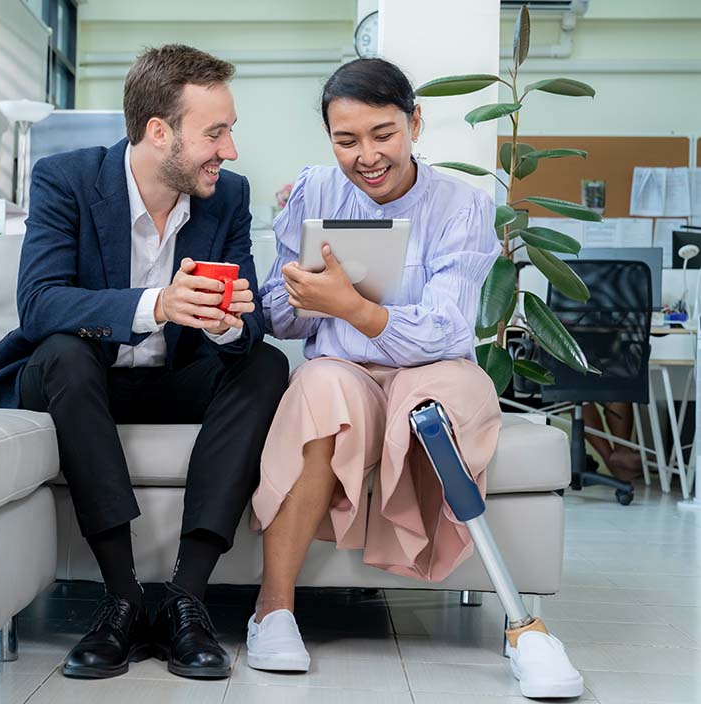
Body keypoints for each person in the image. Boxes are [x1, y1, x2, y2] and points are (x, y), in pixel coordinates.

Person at [244, 58, 585, 699]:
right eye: (346, 141)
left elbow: (448, 327)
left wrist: (356, 308)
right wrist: (296, 296)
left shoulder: (463, 204)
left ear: (414, 123)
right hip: (342, 367)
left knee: (431, 409)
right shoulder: (314, 191)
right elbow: (280, 321)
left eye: (383, 134)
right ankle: (273, 611)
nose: (366, 156)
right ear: (328, 140)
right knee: (318, 390)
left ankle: (523, 626)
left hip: (434, 366)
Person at [0, 45, 289, 680]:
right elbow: (39, 303)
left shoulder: (227, 198)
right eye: (216, 133)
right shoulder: (67, 179)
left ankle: (186, 599)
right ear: (158, 132)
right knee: (63, 352)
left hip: (173, 378)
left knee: (266, 365)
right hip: (77, 379)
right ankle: (121, 599)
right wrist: (158, 305)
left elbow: (249, 323)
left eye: (230, 132)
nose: (229, 151)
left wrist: (230, 328)